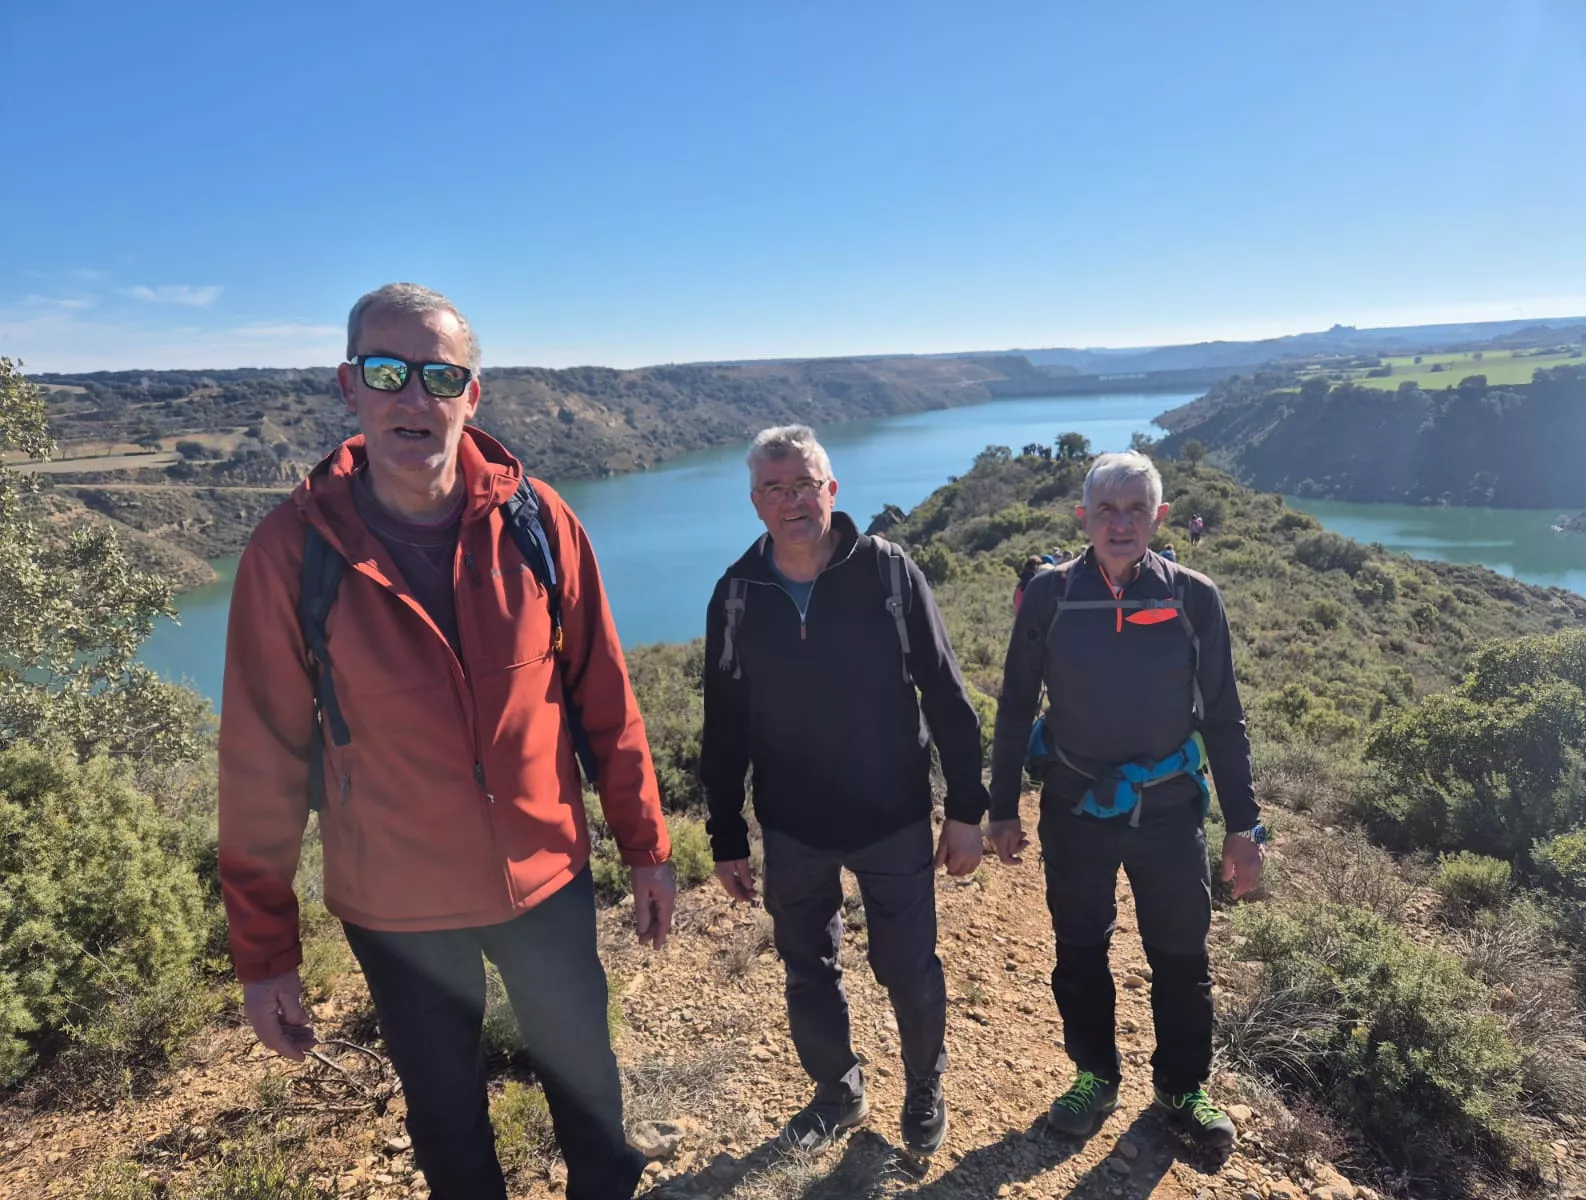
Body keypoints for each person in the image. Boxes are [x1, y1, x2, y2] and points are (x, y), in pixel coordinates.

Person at [218, 283, 676, 1200]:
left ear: (475, 393)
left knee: (587, 1081)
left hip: (543, 876)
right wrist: (266, 956)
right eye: (387, 372)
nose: (413, 399)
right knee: (445, 1116)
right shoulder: (290, 550)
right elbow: (260, 764)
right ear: (349, 386)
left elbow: (604, 698)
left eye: (439, 375)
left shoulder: (538, 520)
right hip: (397, 903)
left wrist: (647, 847)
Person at [700, 425, 1024, 1156]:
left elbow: (946, 694)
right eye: (776, 489)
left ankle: (923, 1085)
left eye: (806, 484)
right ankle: (836, 1091)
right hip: (791, 824)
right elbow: (723, 725)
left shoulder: (886, 572)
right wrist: (725, 835)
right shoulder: (737, 593)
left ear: (831, 490)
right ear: (756, 503)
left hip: (892, 816)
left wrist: (966, 811)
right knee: (807, 968)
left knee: (907, 965)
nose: (793, 502)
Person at [991, 451, 1265, 1151]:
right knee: (1079, 949)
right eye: (1106, 510)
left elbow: (1224, 716)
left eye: (1135, 509)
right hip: (1075, 807)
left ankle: (1181, 1086)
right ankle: (1095, 1075)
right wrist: (1001, 808)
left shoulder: (1192, 597)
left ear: (1158, 517)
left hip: (1171, 809)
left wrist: (1244, 826)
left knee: (1180, 955)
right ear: (1083, 516)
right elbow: (1017, 703)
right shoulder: (1050, 597)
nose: (1120, 524)